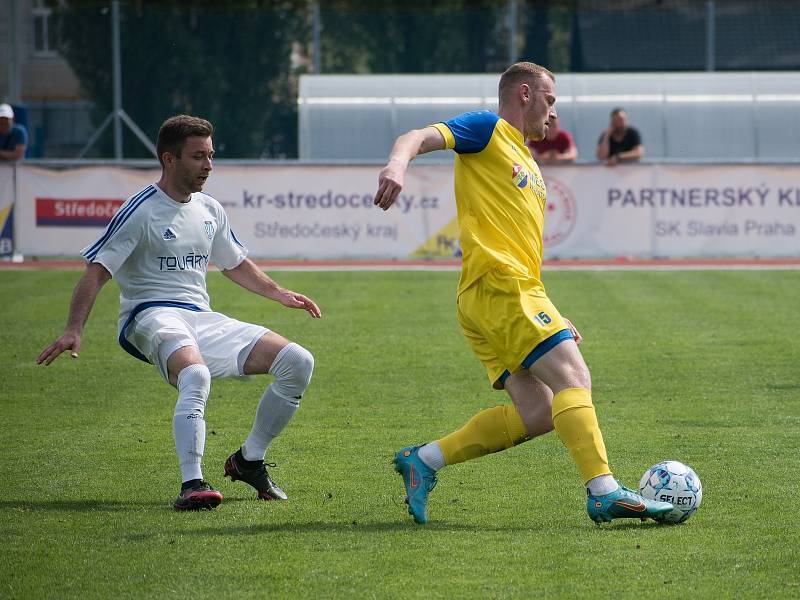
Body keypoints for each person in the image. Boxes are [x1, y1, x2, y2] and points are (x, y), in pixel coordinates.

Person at [374, 62, 671, 525]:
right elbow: (415, 136)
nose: (554, 113)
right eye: (550, 101)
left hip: (498, 293)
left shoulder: (528, 161)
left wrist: (550, 309)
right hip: (498, 286)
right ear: (526, 94)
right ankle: (604, 490)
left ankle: (424, 460)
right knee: (574, 378)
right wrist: (397, 165)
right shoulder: (487, 129)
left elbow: (518, 245)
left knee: (539, 412)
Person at [37, 115, 321, 511]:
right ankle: (193, 484)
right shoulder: (141, 210)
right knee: (196, 374)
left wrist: (279, 293)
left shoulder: (209, 208)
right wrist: (73, 328)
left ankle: (248, 461)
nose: (208, 166)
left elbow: (234, 263)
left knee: (298, 362)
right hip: (149, 315)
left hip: (198, 316)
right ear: (169, 160)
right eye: (197, 157)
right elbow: (96, 272)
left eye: (210, 156)